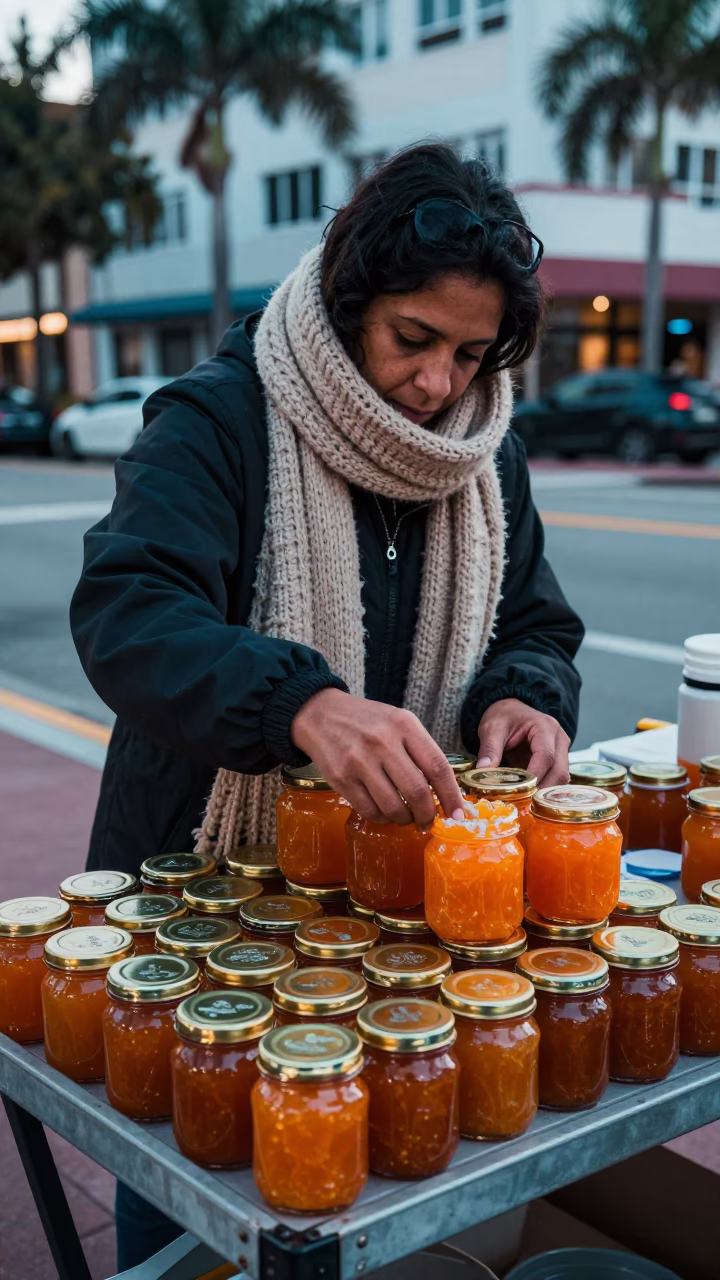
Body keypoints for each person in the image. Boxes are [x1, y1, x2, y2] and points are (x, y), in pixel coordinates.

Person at [71, 142, 583, 1267]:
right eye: (413, 340)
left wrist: (526, 697)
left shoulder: (486, 451)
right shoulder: (219, 419)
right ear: (354, 303)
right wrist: (300, 701)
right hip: (202, 900)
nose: (439, 384)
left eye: (469, 352)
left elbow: (536, 625)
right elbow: (127, 610)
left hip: (392, 907)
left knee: (364, 1181)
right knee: (194, 1182)